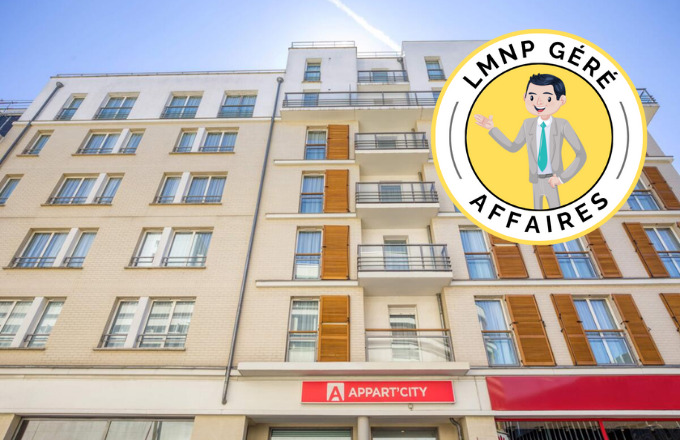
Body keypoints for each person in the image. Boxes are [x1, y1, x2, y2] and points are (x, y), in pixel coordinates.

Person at [474, 73, 587, 209]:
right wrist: (492, 129)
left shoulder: (562, 124)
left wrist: (562, 178)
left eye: (548, 98)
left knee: (555, 212)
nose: (538, 103)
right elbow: (513, 147)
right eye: (532, 97)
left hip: (553, 179)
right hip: (535, 180)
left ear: (561, 100)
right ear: (525, 97)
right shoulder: (527, 124)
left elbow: (581, 154)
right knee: (536, 214)